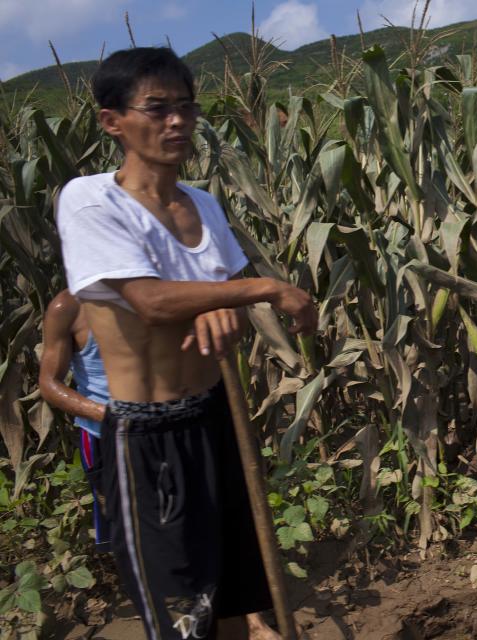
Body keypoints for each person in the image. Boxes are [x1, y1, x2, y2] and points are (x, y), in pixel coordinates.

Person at [55, 46, 317, 640]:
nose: (176, 121)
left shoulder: (201, 204)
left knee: (230, 596)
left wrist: (220, 302)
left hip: (216, 415)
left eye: (185, 108)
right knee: (181, 613)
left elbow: (216, 300)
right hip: (150, 432)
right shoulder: (91, 199)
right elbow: (149, 301)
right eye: (156, 108)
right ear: (112, 121)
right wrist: (264, 287)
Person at [38, 290, 281, 639]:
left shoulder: (155, 293)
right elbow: (49, 382)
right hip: (110, 439)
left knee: (216, 521)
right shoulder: (67, 308)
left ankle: (252, 622)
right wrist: (114, 417)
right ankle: (181, 617)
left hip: (172, 430)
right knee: (149, 541)